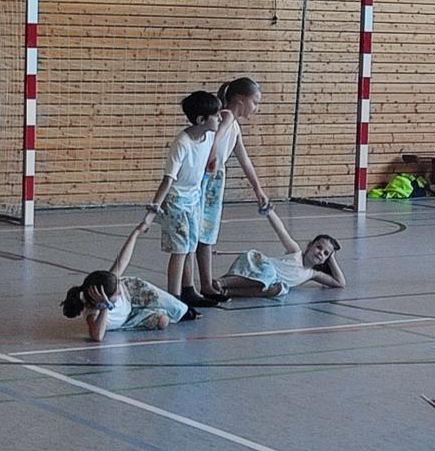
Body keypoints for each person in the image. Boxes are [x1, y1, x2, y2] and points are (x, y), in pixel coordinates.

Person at [192, 76, 277, 303]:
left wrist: (258, 190)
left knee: (206, 234)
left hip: (215, 181)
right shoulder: (226, 115)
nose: (256, 108)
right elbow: (219, 135)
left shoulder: (235, 126)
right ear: (240, 99)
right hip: (204, 178)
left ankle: (206, 284)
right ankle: (191, 285)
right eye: (255, 102)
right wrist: (212, 153)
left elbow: (244, 160)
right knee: (195, 233)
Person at [143, 89, 222, 315]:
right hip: (176, 200)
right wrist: (154, 209)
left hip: (193, 198)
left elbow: (225, 120)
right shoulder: (182, 143)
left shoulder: (208, 137)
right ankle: (174, 299)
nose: (219, 118)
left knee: (191, 246)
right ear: (201, 120)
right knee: (179, 250)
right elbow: (168, 179)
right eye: (215, 115)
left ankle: (189, 290)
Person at [59, 218, 193, 342]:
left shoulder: (114, 283)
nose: (119, 292)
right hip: (128, 317)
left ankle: (186, 310)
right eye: (116, 293)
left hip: (132, 291)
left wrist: (136, 232)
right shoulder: (93, 312)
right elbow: (97, 336)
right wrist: (104, 308)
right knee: (163, 321)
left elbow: (123, 260)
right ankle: (162, 311)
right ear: (104, 298)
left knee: (172, 305)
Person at [217, 209, 346, 297]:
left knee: (279, 289)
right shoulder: (295, 252)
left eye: (325, 253)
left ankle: (228, 292)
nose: (320, 253)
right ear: (310, 246)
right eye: (318, 247)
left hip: (268, 281)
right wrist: (269, 211)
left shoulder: (312, 274)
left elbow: (340, 283)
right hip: (256, 265)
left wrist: (332, 259)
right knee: (268, 275)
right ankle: (222, 283)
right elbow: (281, 230)